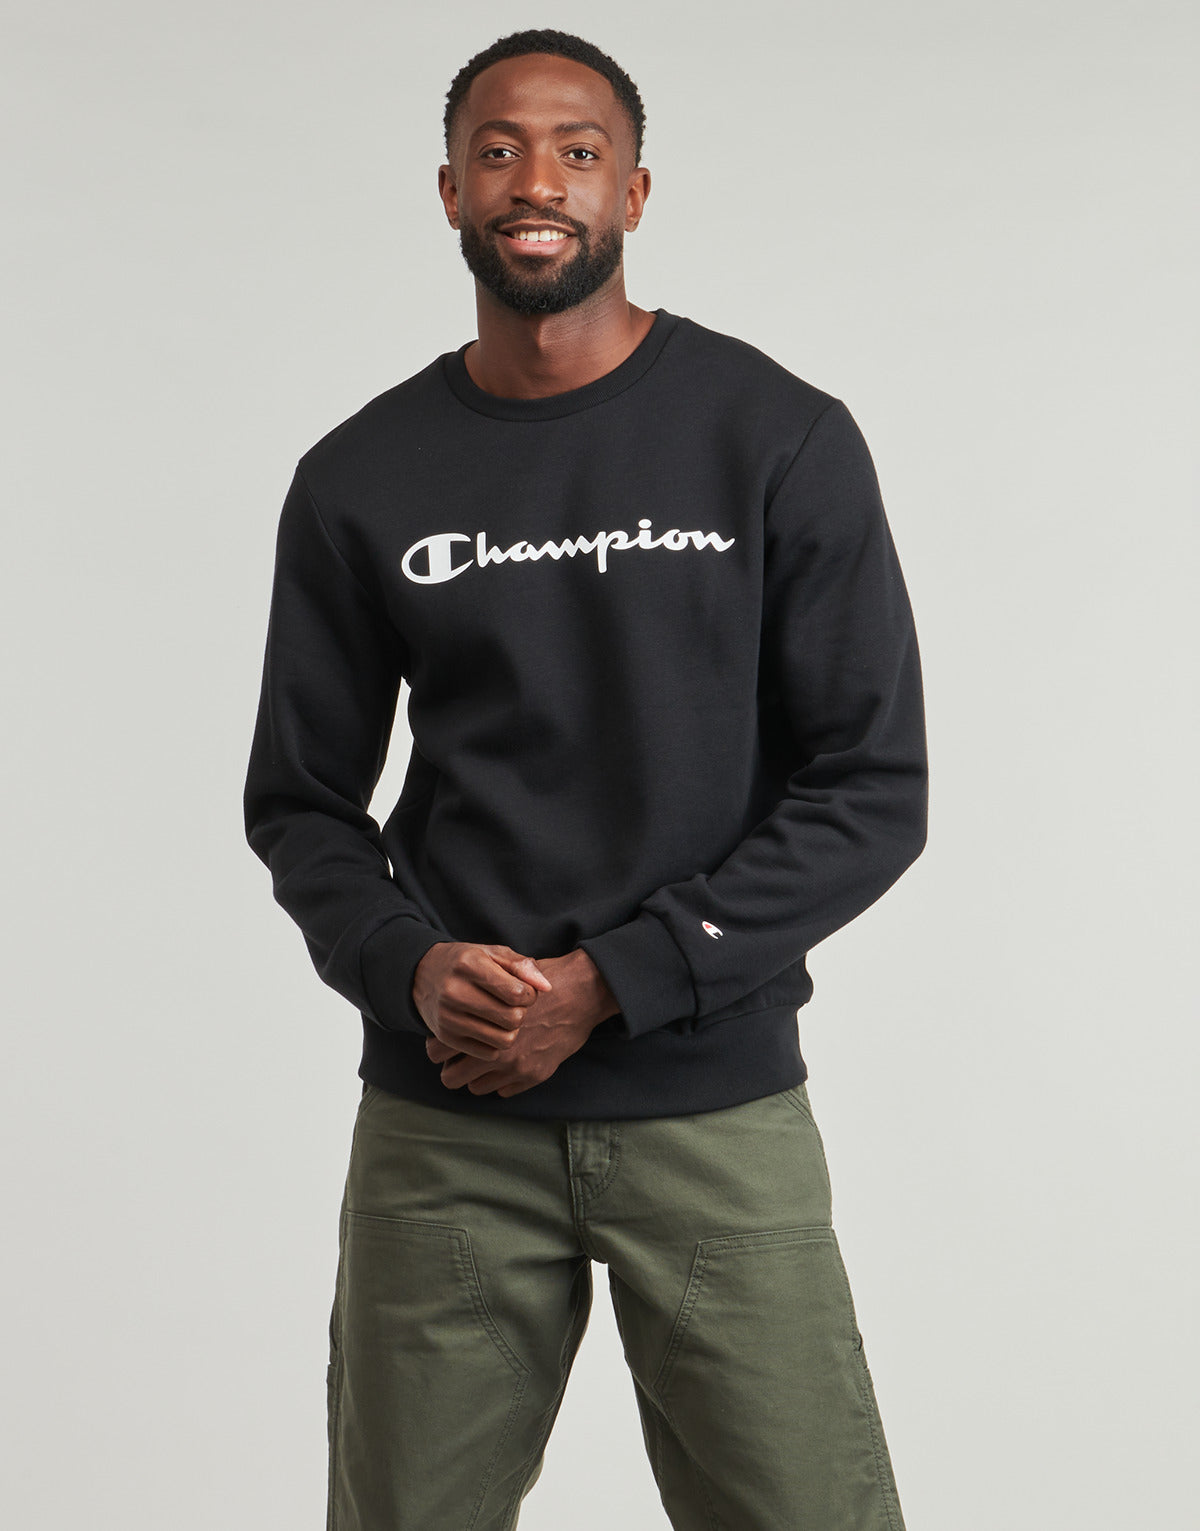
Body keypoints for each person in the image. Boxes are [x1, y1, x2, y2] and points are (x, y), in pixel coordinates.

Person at [243, 26, 927, 1531]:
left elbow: (872, 788)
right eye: (497, 151)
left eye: (576, 151)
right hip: (448, 1118)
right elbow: (300, 801)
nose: (536, 181)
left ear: (634, 191)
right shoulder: (361, 477)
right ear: (449, 191)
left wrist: (613, 983)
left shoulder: (777, 438)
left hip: (712, 1107)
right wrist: (411, 969)